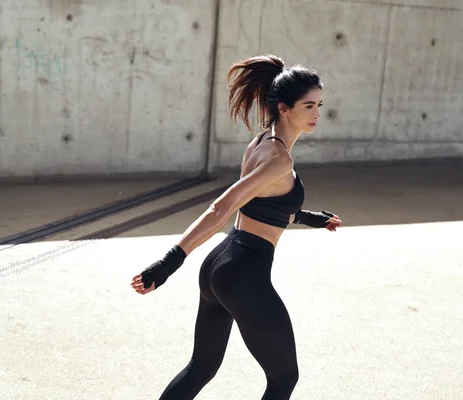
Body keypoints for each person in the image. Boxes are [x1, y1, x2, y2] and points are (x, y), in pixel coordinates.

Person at [131, 54, 342, 400]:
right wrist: (170, 260)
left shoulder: (262, 141)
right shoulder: (279, 159)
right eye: (309, 106)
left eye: (320, 104)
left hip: (221, 264)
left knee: (201, 368)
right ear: (285, 108)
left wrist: (306, 217)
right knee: (283, 379)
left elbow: (261, 206)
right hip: (245, 274)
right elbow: (222, 207)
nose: (318, 114)